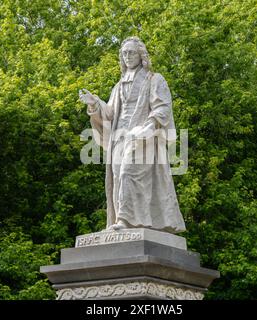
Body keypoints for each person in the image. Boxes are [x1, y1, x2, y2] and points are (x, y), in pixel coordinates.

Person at [79, 36, 185, 234]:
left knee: (129, 173)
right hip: (120, 138)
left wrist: (149, 127)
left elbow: (162, 108)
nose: (127, 56)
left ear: (141, 55)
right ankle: (127, 221)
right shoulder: (118, 86)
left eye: (132, 52)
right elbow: (110, 113)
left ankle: (125, 221)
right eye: (124, 53)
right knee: (118, 178)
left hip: (143, 138)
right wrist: (94, 104)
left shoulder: (154, 79)